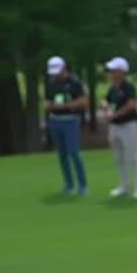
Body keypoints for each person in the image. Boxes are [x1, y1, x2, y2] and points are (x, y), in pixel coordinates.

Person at [44, 56, 89, 195]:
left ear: (64, 68)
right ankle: (69, 184)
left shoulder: (74, 82)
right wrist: (50, 106)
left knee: (74, 153)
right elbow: (47, 102)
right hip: (55, 120)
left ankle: (82, 185)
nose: (55, 74)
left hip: (71, 120)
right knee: (62, 154)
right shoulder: (50, 83)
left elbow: (83, 102)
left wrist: (65, 105)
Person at [103, 57, 137, 199]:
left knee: (133, 156)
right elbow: (107, 101)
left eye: (114, 70)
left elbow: (131, 105)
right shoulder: (112, 88)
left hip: (129, 125)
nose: (111, 72)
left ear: (122, 72)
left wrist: (113, 115)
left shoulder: (129, 87)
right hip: (115, 127)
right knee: (118, 158)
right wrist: (105, 106)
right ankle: (124, 186)